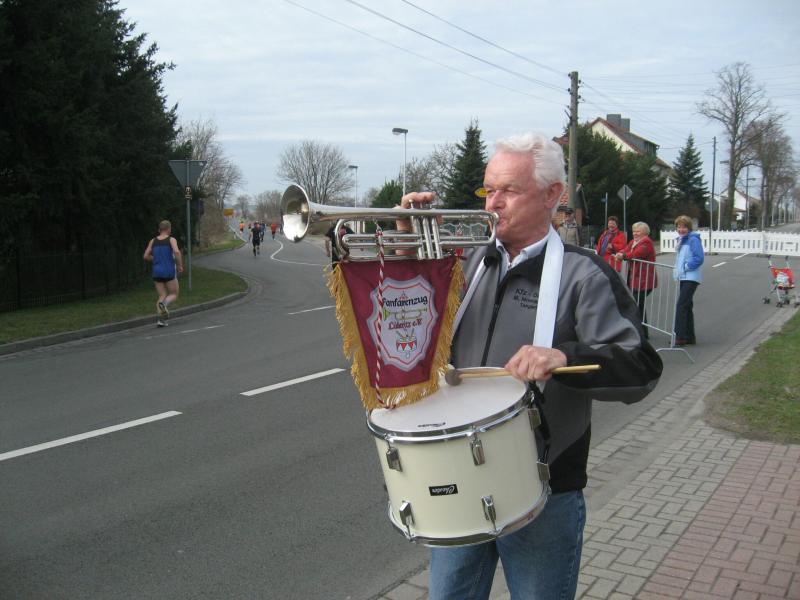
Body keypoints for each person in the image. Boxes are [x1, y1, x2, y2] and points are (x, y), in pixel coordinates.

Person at [399, 133, 662, 600]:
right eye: (488, 190)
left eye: (509, 190)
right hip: (459, 479)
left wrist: (565, 357)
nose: (492, 203)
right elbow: (409, 325)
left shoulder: (585, 274)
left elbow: (641, 368)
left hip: (544, 489)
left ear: (551, 194)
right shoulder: (467, 261)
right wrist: (409, 246)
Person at [615, 221, 658, 336]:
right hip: (636, 280)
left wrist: (623, 256)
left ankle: (639, 331)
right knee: (638, 305)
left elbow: (636, 254)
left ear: (644, 232)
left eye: (638, 231)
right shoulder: (634, 242)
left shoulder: (646, 242)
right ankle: (642, 332)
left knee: (636, 305)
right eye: (634, 231)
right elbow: (626, 249)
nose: (635, 233)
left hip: (644, 280)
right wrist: (620, 253)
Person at [143, 220, 184, 327]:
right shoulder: (171, 239)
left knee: (162, 295)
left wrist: (156, 259)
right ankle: (164, 305)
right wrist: (179, 265)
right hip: (168, 270)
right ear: (169, 229)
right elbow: (176, 252)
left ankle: (161, 321)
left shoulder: (153, 241)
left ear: (159, 230)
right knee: (174, 293)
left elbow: (146, 256)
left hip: (157, 271)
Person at [672, 215, 704, 346]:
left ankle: (680, 337)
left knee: (681, 305)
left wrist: (685, 267)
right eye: (679, 227)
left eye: (684, 227)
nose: (681, 229)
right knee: (687, 306)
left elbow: (699, 258)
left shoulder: (693, 240)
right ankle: (689, 337)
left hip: (691, 277)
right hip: (684, 276)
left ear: (689, 228)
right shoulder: (682, 240)